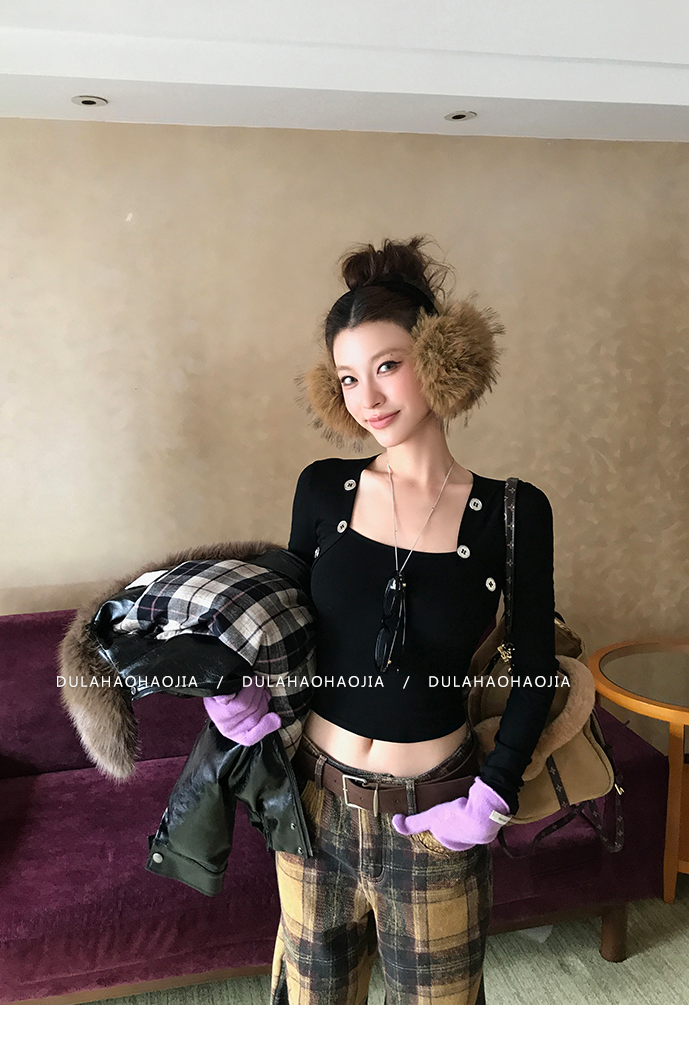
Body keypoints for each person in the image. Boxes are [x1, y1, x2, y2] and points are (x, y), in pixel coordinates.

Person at [208, 237, 558, 1005]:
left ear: (437, 359)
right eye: (347, 377)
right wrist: (239, 697)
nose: (367, 396)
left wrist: (491, 797)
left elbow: (537, 670)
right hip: (314, 809)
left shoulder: (512, 512)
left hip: (436, 819)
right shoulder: (322, 490)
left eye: (387, 366)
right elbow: (286, 625)